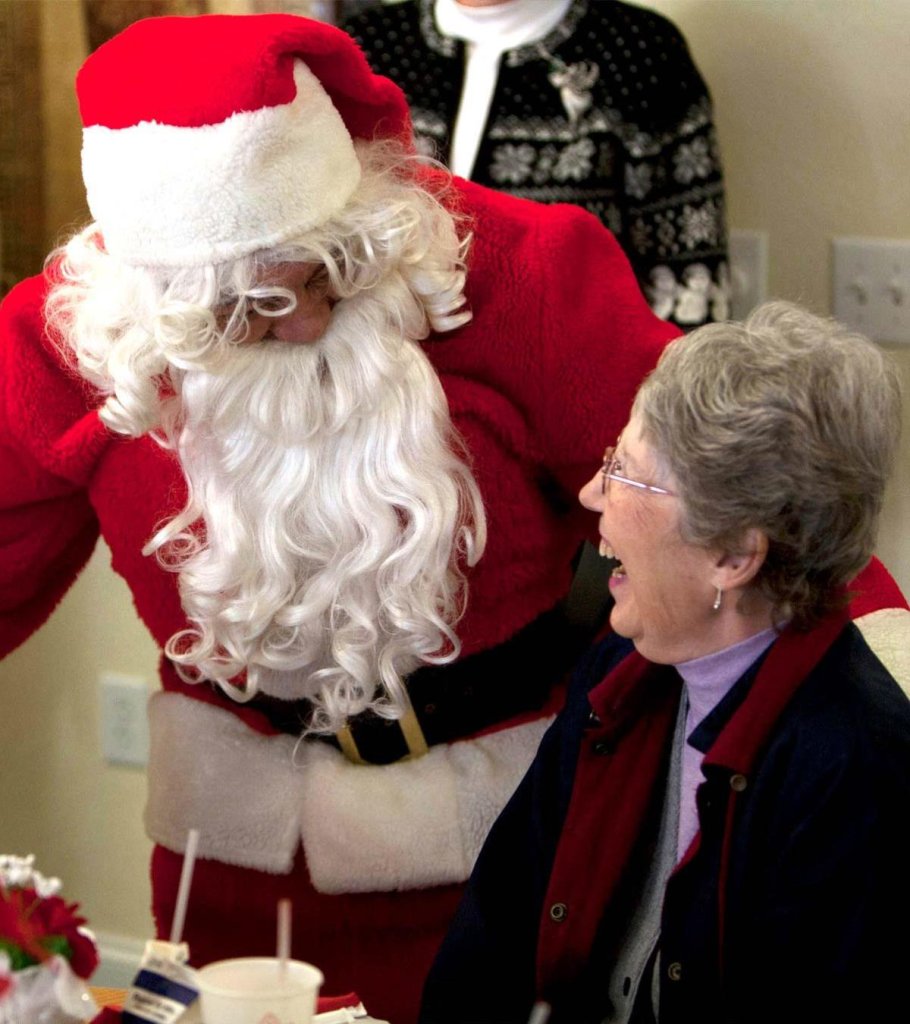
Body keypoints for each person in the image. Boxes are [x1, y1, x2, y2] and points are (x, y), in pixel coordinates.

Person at [0, 12, 680, 1023]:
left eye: (330, 268)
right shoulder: (68, 341)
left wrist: (860, 689)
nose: (307, 322)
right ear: (156, 299)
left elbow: (721, 507)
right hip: (225, 868)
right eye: (248, 307)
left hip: (511, 851)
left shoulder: (517, 272)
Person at [420, 301, 910, 1024]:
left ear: (733, 556)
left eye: (628, 475)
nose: (592, 496)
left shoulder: (853, 769)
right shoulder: (621, 674)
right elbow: (488, 954)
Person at [343, 0, 730, 328]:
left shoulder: (641, 52)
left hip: (582, 389)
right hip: (391, 388)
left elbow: (690, 286)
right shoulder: (364, 48)